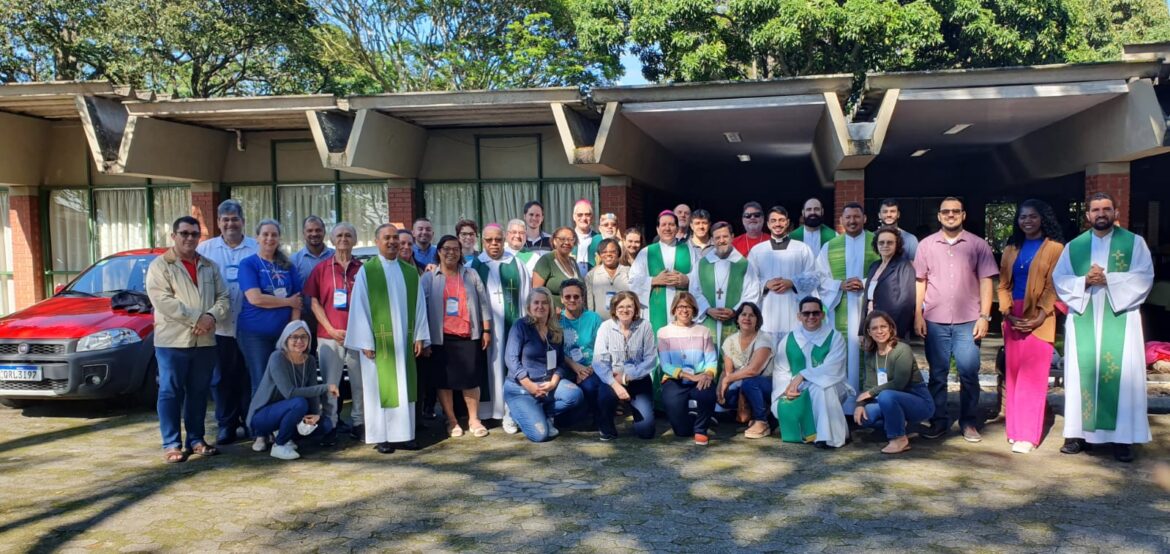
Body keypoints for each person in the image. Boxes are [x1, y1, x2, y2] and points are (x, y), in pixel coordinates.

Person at [1054, 192, 1153, 463]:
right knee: (1080, 374)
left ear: (1115, 213)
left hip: (1120, 316)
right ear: (1087, 215)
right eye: (1095, 210)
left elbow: (1145, 277)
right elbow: (1060, 280)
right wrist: (1084, 281)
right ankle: (1077, 435)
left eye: (1106, 209)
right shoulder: (1074, 247)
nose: (1101, 214)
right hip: (1084, 314)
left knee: (1122, 378)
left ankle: (1122, 439)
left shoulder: (1135, 244)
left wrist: (1108, 279)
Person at [146, 216, 231, 463]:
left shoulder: (209, 266)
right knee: (170, 392)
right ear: (174, 236)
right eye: (184, 233)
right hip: (172, 342)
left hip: (204, 342)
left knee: (198, 391)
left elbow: (224, 297)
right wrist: (198, 319)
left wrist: (211, 317)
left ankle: (196, 439)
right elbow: (163, 301)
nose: (189, 238)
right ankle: (171, 443)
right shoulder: (161, 266)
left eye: (194, 234)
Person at [913, 197, 998, 442]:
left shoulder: (978, 245)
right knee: (937, 374)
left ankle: (969, 421)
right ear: (939, 216)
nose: (951, 215)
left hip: (969, 320)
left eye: (955, 211)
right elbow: (921, 282)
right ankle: (939, 420)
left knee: (969, 372)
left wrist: (985, 316)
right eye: (946, 212)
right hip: (935, 320)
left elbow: (986, 281)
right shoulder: (926, 246)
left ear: (963, 215)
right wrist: (918, 314)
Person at [345, 223, 431, 454]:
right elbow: (359, 307)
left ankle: (406, 435)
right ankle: (382, 436)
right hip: (378, 343)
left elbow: (420, 306)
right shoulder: (367, 271)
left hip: (405, 341)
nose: (392, 242)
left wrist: (421, 336)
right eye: (387, 238)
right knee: (378, 389)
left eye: (396, 238)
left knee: (405, 386)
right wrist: (364, 341)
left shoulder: (410, 271)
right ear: (377, 242)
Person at [997, 199, 1064, 454]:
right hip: (1012, 316)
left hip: (1041, 317)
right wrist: (1006, 311)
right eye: (1023, 217)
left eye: (1032, 216)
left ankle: (1029, 435)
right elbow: (1003, 284)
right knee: (1013, 375)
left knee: (1033, 378)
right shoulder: (1012, 247)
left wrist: (1039, 315)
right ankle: (1014, 430)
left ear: (1042, 218)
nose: (1027, 221)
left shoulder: (1055, 248)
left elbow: (1053, 285)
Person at [196, 199, 258, 445]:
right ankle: (226, 424)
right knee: (221, 378)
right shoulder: (206, 250)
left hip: (250, 327)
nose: (230, 223)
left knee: (249, 376)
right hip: (219, 328)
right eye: (225, 219)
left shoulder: (255, 247)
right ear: (219, 223)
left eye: (235, 219)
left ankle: (251, 420)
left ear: (243, 222)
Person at [422, 235, 492, 438]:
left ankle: (474, 419)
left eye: (455, 249)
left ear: (461, 252)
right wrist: (424, 339)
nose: (451, 252)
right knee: (444, 381)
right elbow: (421, 310)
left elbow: (483, 304)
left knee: (471, 380)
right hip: (441, 337)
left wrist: (486, 330)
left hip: (468, 336)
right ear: (439, 251)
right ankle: (451, 420)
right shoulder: (428, 277)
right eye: (446, 248)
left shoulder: (471, 274)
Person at [237, 219, 302, 431]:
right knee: (261, 380)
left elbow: (298, 301)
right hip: (255, 335)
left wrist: (294, 333)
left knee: (284, 381)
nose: (269, 238)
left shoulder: (287, 265)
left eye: (274, 234)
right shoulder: (249, 264)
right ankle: (259, 431)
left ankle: (278, 425)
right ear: (257, 237)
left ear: (279, 238)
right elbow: (255, 298)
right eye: (265, 234)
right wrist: (287, 301)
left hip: (283, 335)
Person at [245, 321, 340, 460]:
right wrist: (326, 387)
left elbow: (312, 395)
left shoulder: (310, 360)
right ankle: (279, 444)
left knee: (325, 424)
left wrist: (314, 415)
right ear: (286, 339)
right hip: (264, 416)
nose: (299, 341)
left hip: (293, 412)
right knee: (299, 402)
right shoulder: (277, 357)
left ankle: (284, 434)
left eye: (304, 337)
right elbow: (289, 393)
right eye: (294, 337)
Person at [816, 202, 879, 411]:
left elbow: (886, 272)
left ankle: (869, 405)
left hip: (868, 307)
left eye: (856, 217)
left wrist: (864, 281)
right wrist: (839, 284)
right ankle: (842, 408)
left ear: (865, 219)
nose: (852, 221)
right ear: (841, 221)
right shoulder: (831, 246)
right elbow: (820, 277)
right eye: (848, 217)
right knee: (841, 354)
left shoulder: (876, 242)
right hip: (840, 306)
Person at [468, 224, 531, 432]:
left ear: (504, 239)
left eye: (497, 240)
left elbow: (527, 296)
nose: (494, 244)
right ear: (482, 241)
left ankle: (509, 412)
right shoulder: (475, 266)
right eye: (488, 240)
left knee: (510, 366)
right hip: (486, 330)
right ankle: (487, 413)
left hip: (513, 327)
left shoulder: (516, 264)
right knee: (487, 369)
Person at [305, 222, 363, 444]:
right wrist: (330, 328)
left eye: (348, 235)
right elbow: (314, 303)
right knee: (331, 384)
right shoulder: (321, 269)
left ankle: (358, 422)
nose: (343, 239)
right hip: (329, 336)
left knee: (359, 383)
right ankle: (330, 423)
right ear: (332, 239)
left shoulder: (362, 269)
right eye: (339, 235)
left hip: (357, 337)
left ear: (355, 240)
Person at [504, 288, 585, 442]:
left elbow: (561, 361)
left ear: (550, 307)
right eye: (536, 302)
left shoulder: (555, 329)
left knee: (575, 395)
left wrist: (554, 382)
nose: (540, 306)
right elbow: (511, 359)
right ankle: (513, 412)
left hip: (546, 383)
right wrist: (529, 385)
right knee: (540, 435)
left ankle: (544, 413)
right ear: (529, 306)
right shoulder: (520, 326)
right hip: (521, 387)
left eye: (544, 303)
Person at [770, 296, 849, 448]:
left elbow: (832, 368)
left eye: (815, 313)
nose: (811, 317)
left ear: (823, 315)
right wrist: (786, 389)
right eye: (806, 313)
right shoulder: (788, 339)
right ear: (799, 316)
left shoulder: (835, 337)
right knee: (811, 392)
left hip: (833, 386)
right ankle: (823, 435)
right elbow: (781, 371)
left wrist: (802, 375)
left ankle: (825, 438)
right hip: (796, 390)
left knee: (821, 389)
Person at [853, 311, 932, 454]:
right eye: (875, 328)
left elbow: (899, 383)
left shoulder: (902, 349)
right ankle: (901, 425)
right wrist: (860, 405)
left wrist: (870, 393)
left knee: (886, 395)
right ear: (869, 332)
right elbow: (869, 384)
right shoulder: (871, 354)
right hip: (889, 399)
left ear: (890, 328)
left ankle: (898, 438)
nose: (880, 331)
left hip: (918, 400)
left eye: (883, 326)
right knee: (866, 417)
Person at [593, 291, 658, 440]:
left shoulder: (645, 326)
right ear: (614, 309)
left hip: (638, 377)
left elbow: (651, 359)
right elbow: (599, 361)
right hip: (612, 378)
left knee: (646, 433)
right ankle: (606, 427)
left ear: (635, 308)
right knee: (605, 396)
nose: (625, 310)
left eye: (629, 306)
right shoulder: (605, 327)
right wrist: (616, 384)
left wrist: (627, 377)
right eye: (620, 306)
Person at [692, 221, 760, 358]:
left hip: (734, 321)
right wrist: (707, 309)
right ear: (712, 240)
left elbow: (752, 293)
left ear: (732, 237)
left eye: (725, 237)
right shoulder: (702, 264)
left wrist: (735, 310)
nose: (721, 241)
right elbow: (694, 291)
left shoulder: (744, 264)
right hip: (708, 320)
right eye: (717, 238)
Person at [657, 292, 718, 445]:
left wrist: (708, 374)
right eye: (681, 307)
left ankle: (701, 429)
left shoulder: (703, 331)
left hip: (700, 375)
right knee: (682, 432)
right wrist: (690, 377)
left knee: (707, 395)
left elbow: (711, 360)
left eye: (689, 307)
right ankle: (693, 418)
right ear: (674, 310)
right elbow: (665, 365)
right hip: (675, 378)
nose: (685, 310)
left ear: (694, 310)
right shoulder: (664, 332)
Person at [748, 206, 817, 337]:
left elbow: (813, 276)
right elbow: (748, 281)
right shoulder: (757, 251)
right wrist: (766, 284)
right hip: (767, 313)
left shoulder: (802, 248)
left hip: (794, 311)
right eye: (773, 221)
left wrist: (792, 282)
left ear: (787, 222)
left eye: (781, 220)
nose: (777, 224)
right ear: (768, 224)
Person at [716, 303, 775, 439]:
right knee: (726, 397)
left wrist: (728, 379)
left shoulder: (764, 338)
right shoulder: (730, 341)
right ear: (737, 319)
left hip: (767, 384)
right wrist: (720, 388)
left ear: (757, 320)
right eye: (743, 314)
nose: (747, 318)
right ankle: (754, 413)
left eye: (751, 315)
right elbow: (727, 371)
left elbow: (753, 370)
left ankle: (762, 421)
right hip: (743, 384)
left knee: (749, 382)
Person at [631, 211, 694, 336]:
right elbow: (632, 280)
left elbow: (701, 277)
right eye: (663, 225)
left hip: (683, 308)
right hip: (655, 311)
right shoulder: (647, 252)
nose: (667, 228)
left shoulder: (689, 250)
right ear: (657, 229)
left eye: (671, 224)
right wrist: (654, 280)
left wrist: (687, 279)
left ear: (677, 228)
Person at [559, 279, 604, 431]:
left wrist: (588, 369)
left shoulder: (593, 318)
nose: (572, 300)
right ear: (561, 299)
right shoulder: (556, 320)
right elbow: (555, 349)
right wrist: (575, 366)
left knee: (590, 386)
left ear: (583, 298)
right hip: (565, 367)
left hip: (591, 367)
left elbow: (602, 348)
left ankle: (597, 418)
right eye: (568, 297)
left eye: (576, 296)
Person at [863, 226, 916, 339]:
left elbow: (907, 303)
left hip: (891, 329)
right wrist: (862, 331)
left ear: (897, 245)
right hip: (872, 325)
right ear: (876, 245)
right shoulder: (874, 266)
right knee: (873, 357)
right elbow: (866, 300)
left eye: (890, 242)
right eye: (881, 242)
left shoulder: (904, 266)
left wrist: (894, 332)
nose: (885, 245)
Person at [291, 216, 334, 327]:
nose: (314, 234)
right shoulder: (294, 260)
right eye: (310, 230)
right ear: (303, 233)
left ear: (324, 231)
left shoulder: (335, 256)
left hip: (332, 319)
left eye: (318, 230)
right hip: (306, 320)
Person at [531, 226, 583, 309]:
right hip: (554, 317)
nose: (566, 242)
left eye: (570, 239)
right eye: (562, 239)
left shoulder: (573, 262)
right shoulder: (546, 260)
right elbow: (536, 293)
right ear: (554, 241)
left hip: (575, 316)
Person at [584, 238, 630, 319]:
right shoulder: (591, 275)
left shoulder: (629, 272)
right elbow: (589, 303)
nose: (608, 254)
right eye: (604, 252)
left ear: (618, 253)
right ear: (599, 255)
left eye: (612, 252)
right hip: (600, 323)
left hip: (625, 322)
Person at [571, 200, 602, 275]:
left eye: (587, 215)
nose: (584, 218)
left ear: (592, 217)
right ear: (574, 217)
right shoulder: (565, 238)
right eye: (580, 215)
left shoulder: (600, 239)